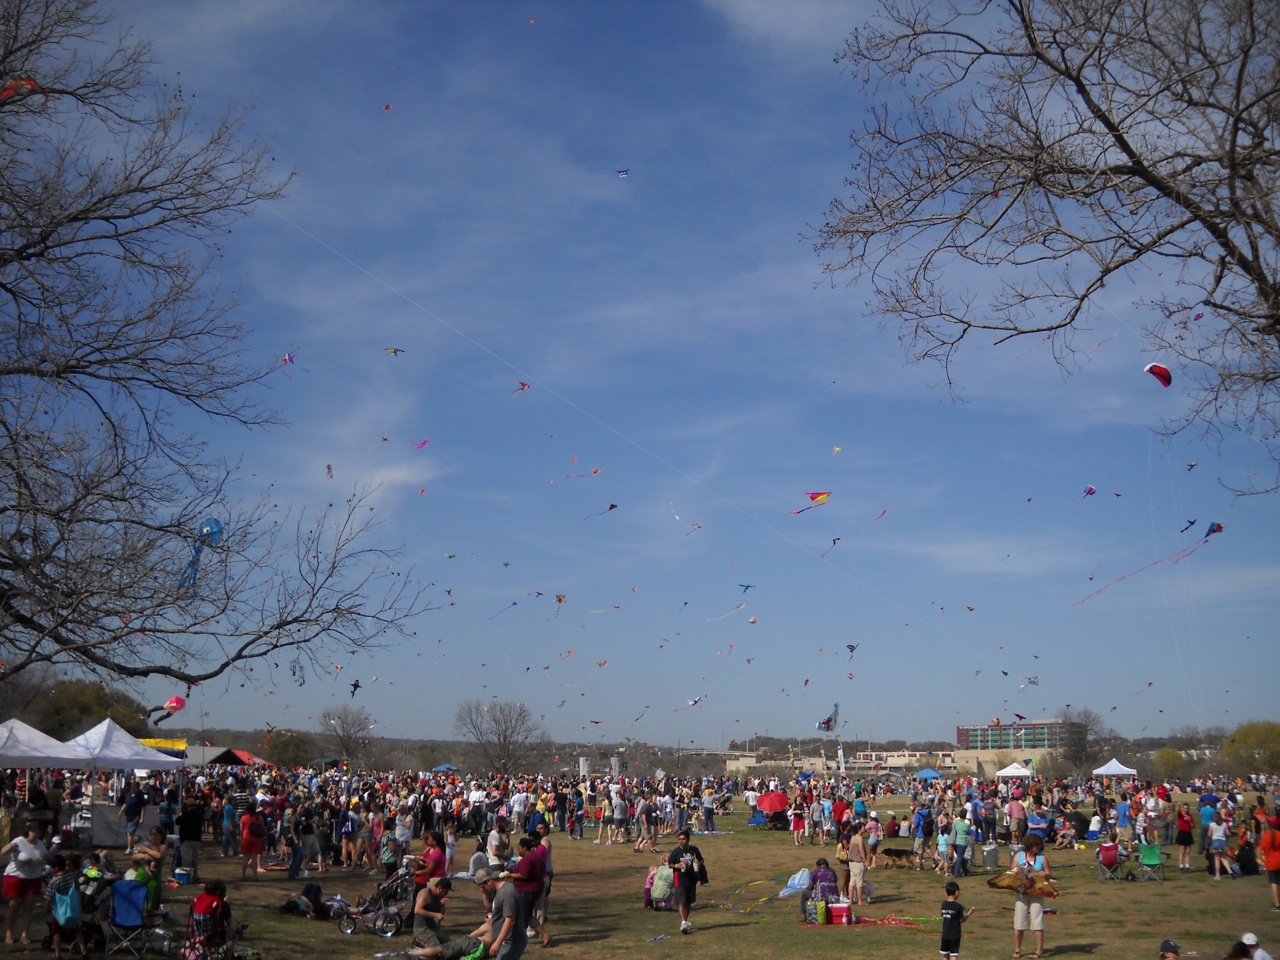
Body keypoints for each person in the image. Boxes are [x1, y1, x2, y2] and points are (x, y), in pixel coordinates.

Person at [3, 821, 49, 944]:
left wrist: (47, 860)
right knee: (14, 905)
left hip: (34, 877)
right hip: (16, 876)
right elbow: (4, 850)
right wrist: (8, 848)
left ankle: (25, 933)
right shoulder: (19, 841)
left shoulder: (40, 844)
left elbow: (47, 857)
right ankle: (9, 932)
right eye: (33, 831)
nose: (36, 834)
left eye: (38, 832)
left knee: (29, 906)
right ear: (28, 831)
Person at [502, 836, 551, 948]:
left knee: (525, 916)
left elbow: (524, 874)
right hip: (535, 889)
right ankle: (521, 936)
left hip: (527, 891)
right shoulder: (535, 857)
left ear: (525, 848)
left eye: (519, 848)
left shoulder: (528, 859)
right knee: (525, 915)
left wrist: (509, 875)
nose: (518, 851)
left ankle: (544, 934)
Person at [1011, 833, 1052, 960]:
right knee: (1019, 922)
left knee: (1037, 921)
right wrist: (1019, 871)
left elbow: (1049, 874)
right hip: (1022, 893)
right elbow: (1011, 872)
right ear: (1029, 846)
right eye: (1035, 846)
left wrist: (1044, 875)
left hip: (1037, 893)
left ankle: (1039, 950)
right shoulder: (1019, 856)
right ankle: (1017, 949)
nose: (1038, 848)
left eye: (1039, 846)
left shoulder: (1042, 857)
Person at [473, 865, 526, 960]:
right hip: (505, 941)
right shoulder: (499, 891)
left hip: (511, 941)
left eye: (483, 887)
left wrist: (497, 943)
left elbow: (510, 921)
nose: (483, 890)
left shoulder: (506, 893)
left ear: (489, 881)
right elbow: (493, 909)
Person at [45, 854, 86, 960]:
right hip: (72, 909)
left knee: (56, 932)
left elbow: (49, 897)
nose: (51, 869)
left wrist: (47, 908)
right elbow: (78, 886)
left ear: (56, 867)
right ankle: (83, 951)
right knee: (77, 930)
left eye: (51, 867)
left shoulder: (54, 881)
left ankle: (58, 954)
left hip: (59, 911)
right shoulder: (72, 876)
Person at [667, 829, 705, 936]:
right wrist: (677, 866)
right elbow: (670, 864)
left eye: (683, 839)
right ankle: (683, 922)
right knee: (681, 901)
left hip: (691, 879)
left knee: (689, 902)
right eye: (679, 839)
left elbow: (701, 859)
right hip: (680, 879)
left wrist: (698, 864)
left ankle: (685, 921)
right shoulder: (676, 852)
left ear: (688, 840)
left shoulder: (694, 850)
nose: (681, 841)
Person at [940, 880, 975, 960]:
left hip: (945, 934)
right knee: (953, 955)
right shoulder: (958, 906)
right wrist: (969, 914)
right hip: (954, 935)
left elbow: (946, 915)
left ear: (946, 892)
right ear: (957, 892)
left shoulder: (943, 905)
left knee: (945, 955)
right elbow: (962, 920)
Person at [118, 782, 147, 856]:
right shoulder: (129, 795)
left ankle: (129, 848)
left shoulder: (140, 796)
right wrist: (121, 811)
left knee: (130, 833)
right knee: (129, 833)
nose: (132, 788)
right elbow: (125, 804)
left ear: (137, 788)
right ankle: (135, 843)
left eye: (133, 787)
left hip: (135, 816)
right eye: (131, 787)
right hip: (128, 816)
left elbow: (143, 808)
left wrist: (142, 818)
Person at [1176, 802, 1196, 871]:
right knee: (1182, 850)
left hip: (1188, 833)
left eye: (1187, 808)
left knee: (1187, 851)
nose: (1185, 810)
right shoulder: (1180, 815)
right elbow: (1178, 811)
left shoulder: (1190, 816)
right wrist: (1179, 805)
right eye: (1184, 808)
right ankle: (1181, 865)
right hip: (1182, 833)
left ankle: (1187, 865)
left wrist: (1189, 821)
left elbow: (1193, 826)